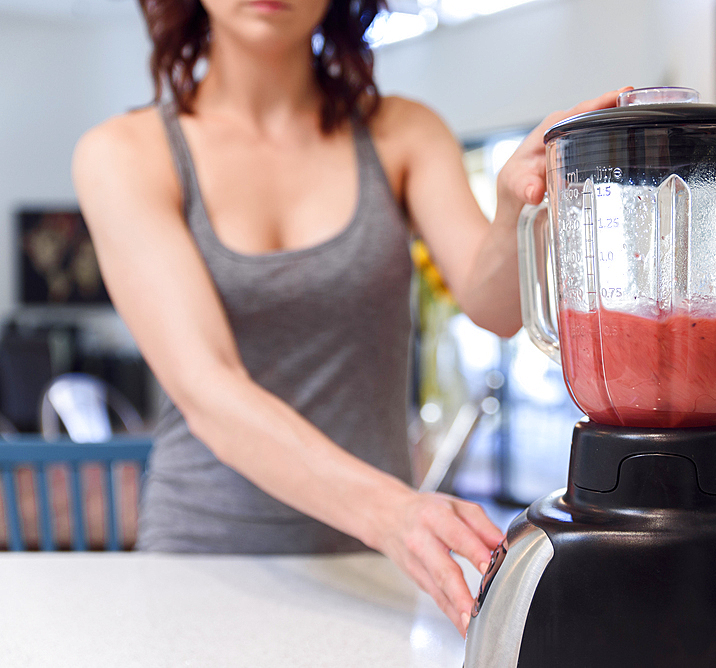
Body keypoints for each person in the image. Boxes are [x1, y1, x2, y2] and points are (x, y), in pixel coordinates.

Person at [72, 0, 624, 635]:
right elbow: (208, 389)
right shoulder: (125, 152)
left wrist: (512, 207)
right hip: (203, 554)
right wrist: (394, 510)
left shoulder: (402, 133)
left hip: (370, 568)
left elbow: (493, 306)